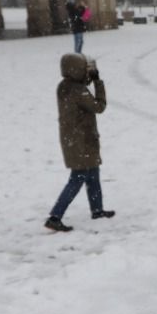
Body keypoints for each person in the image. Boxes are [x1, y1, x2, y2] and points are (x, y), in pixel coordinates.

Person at [44, 53, 113, 232]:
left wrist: (87, 78)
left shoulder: (64, 86)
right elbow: (99, 106)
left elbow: (80, 90)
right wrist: (98, 82)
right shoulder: (78, 91)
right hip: (82, 141)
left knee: (93, 175)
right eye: (84, 68)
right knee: (78, 178)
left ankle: (97, 210)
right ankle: (55, 216)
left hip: (74, 140)